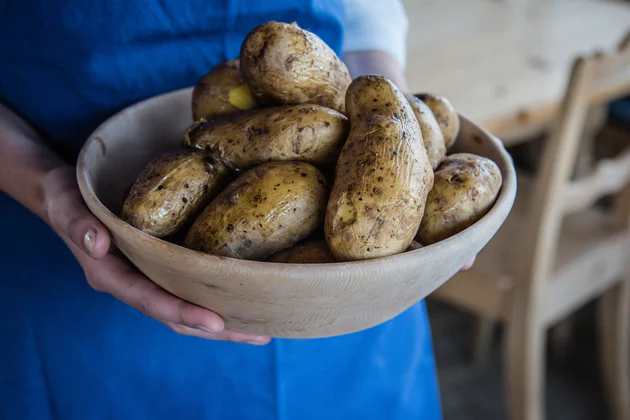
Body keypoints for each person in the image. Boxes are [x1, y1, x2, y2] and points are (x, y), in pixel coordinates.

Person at [0, 1, 473, 418]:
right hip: (82, 228)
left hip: (350, 296)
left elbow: (368, 12)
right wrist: (45, 184)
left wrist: (397, 131)